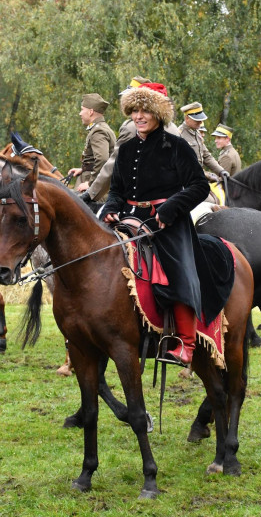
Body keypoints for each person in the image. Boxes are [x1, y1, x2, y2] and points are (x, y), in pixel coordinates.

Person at [99, 82, 233, 368]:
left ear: (158, 113)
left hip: (168, 222)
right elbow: (117, 191)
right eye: (134, 111)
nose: (138, 116)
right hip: (128, 218)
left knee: (178, 271)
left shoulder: (176, 146)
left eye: (145, 110)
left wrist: (171, 207)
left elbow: (199, 185)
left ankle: (186, 343)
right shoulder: (126, 149)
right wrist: (110, 208)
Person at [66, 93, 116, 201]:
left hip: (94, 190)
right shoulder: (100, 128)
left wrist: (91, 183)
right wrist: (83, 169)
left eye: (82, 109)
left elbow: (102, 159)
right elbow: (96, 159)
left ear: (91, 112)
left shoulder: (99, 131)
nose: (80, 113)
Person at [177, 102, 228, 183]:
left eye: (201, 119)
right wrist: (206, 175)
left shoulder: (197, 133)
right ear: (187, 118)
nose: (201, 122)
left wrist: (221, 171)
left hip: (198, 178)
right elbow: (183, 164)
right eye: (197, 120)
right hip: (186, 181)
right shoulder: (179, 135)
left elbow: (207, 156)